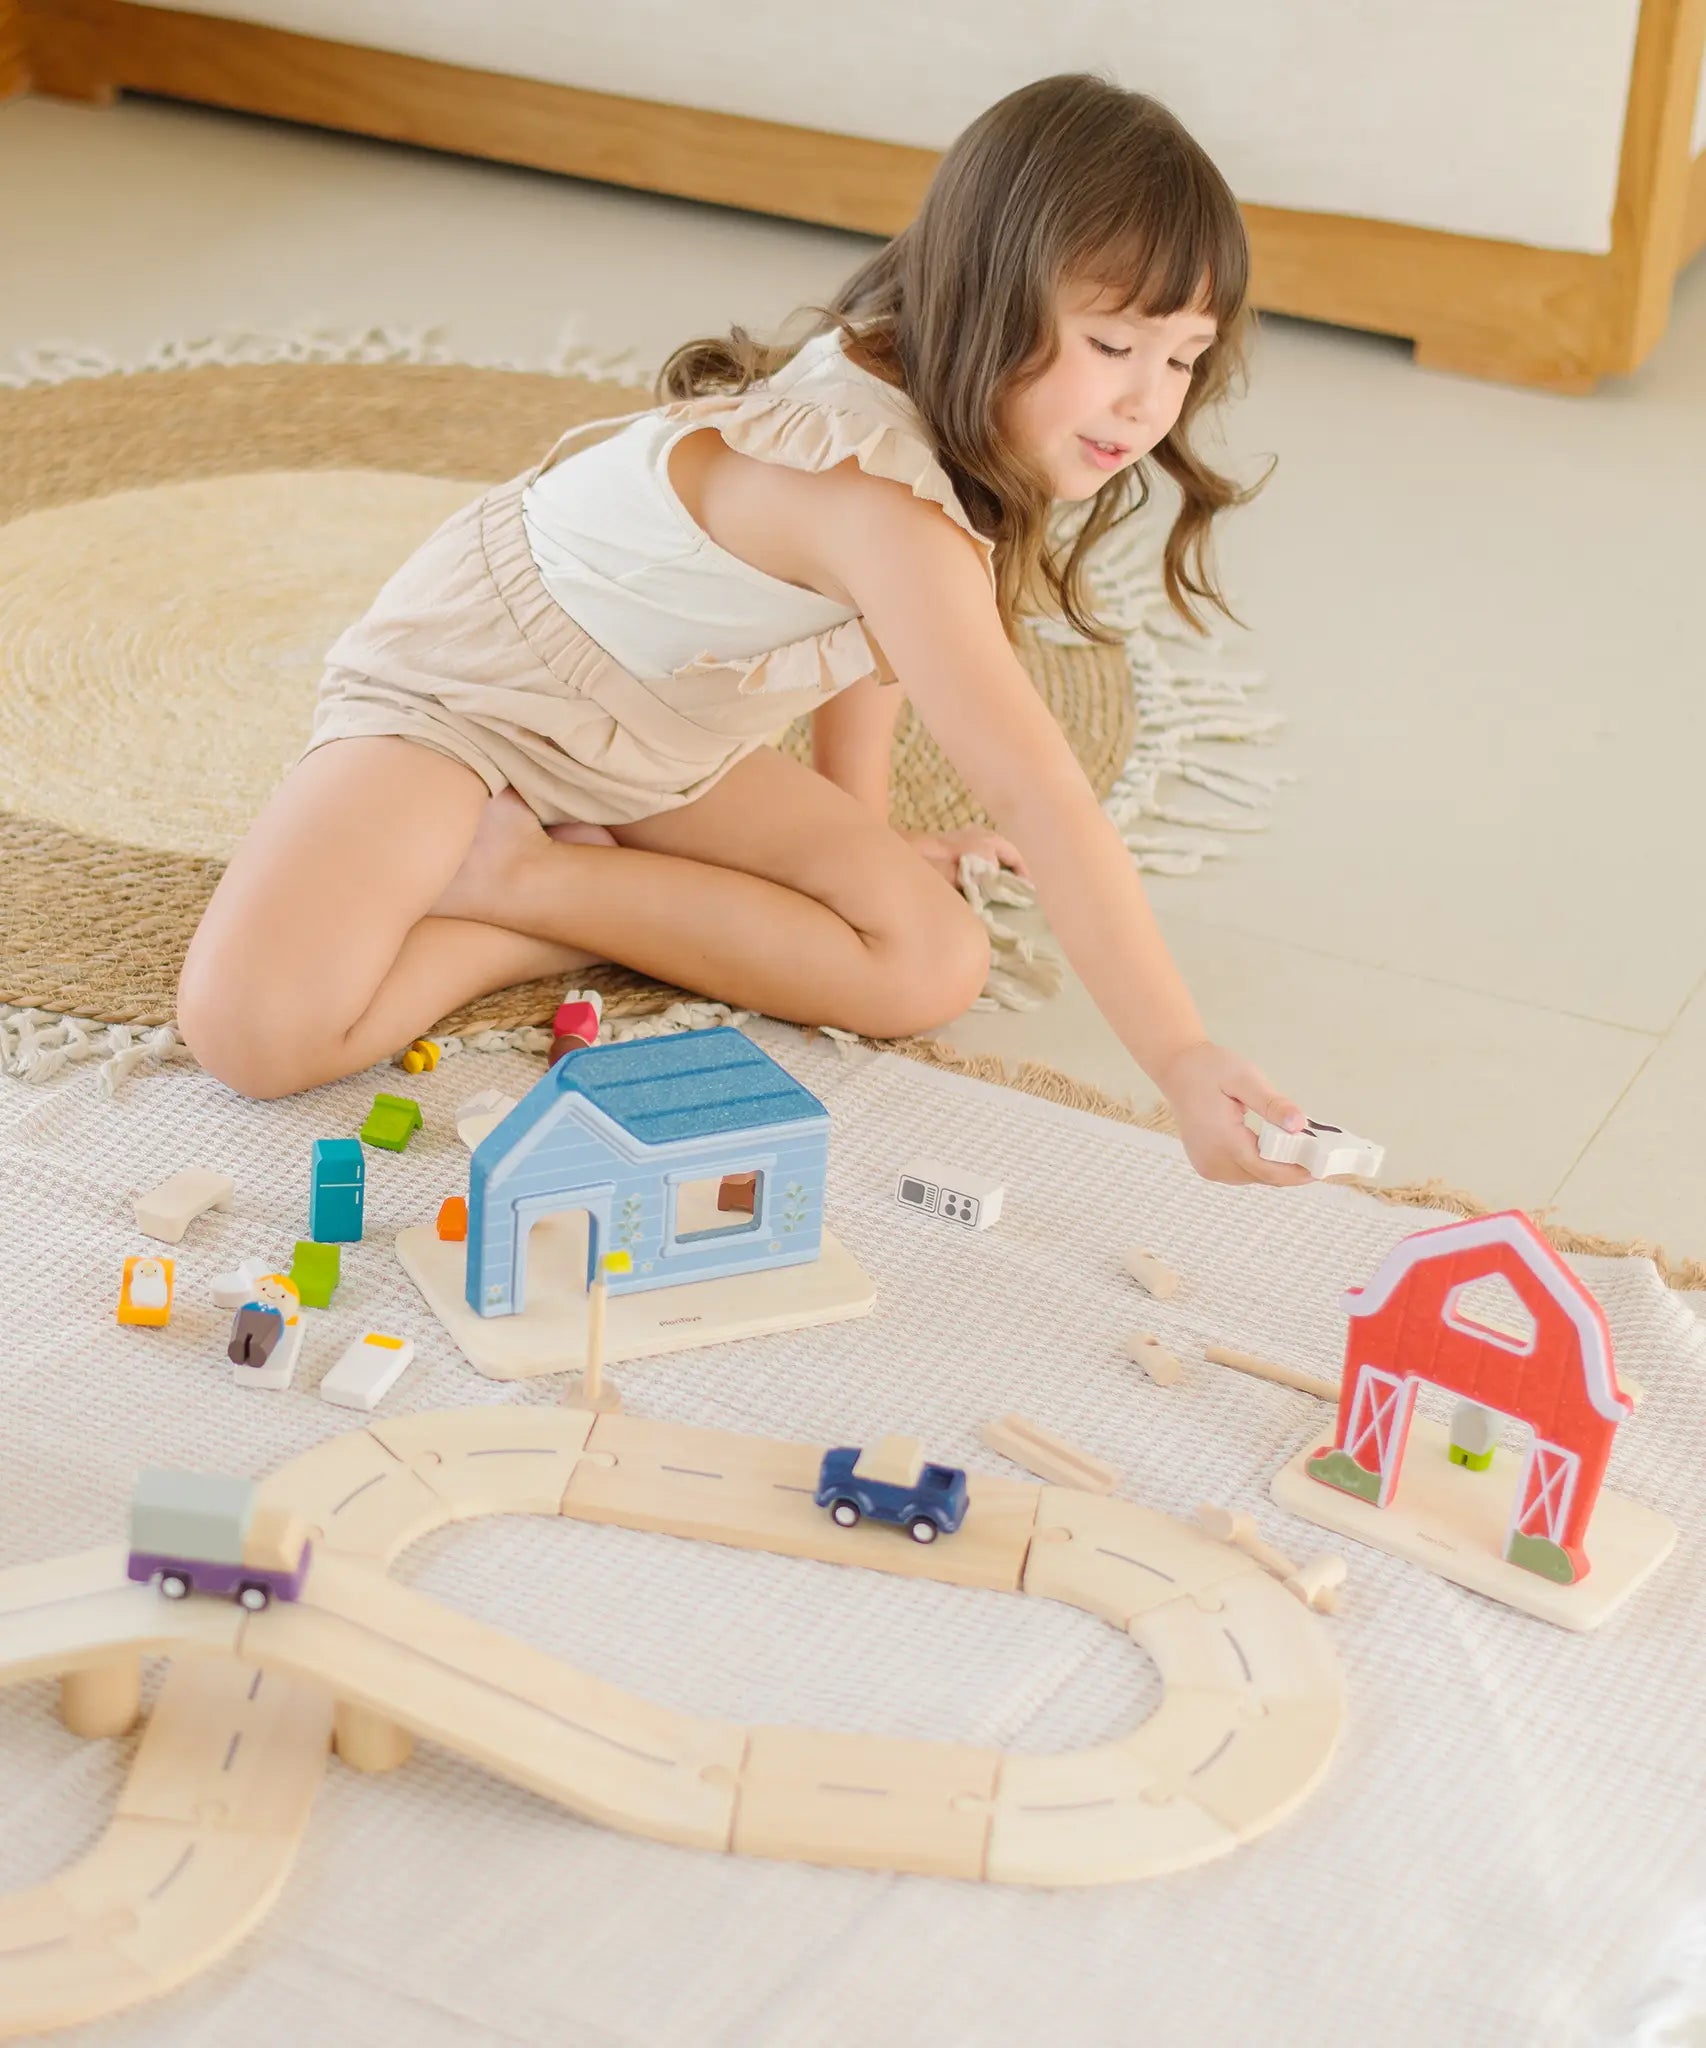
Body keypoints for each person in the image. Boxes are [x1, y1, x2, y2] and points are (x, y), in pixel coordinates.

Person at [178, 71, 1311, 1187]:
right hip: (480, 689)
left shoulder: (941, 436)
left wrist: (856, 833)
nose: (1147, 401)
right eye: (1113, 347)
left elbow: (867, 646)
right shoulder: (871, 485)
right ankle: (550, 885)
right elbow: (1038, 796)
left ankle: (520, 879)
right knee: (255, 1031)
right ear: (986, 296)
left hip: (663, 741)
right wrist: (1176, 1056)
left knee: (930, 963)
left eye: (1182, 358)